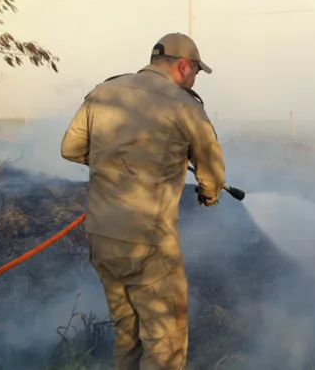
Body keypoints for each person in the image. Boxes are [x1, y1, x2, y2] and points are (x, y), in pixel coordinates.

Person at [60, 32, 226, 370]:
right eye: (195, 72)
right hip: (149, 246)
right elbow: (211, 173)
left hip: (103, 239)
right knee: (165, 346)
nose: (194, 79)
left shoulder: (104, 92)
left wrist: (115, 169)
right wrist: (209, 196)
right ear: (184, 66)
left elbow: (71, 149)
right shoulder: (185, 105)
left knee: (128, 333)